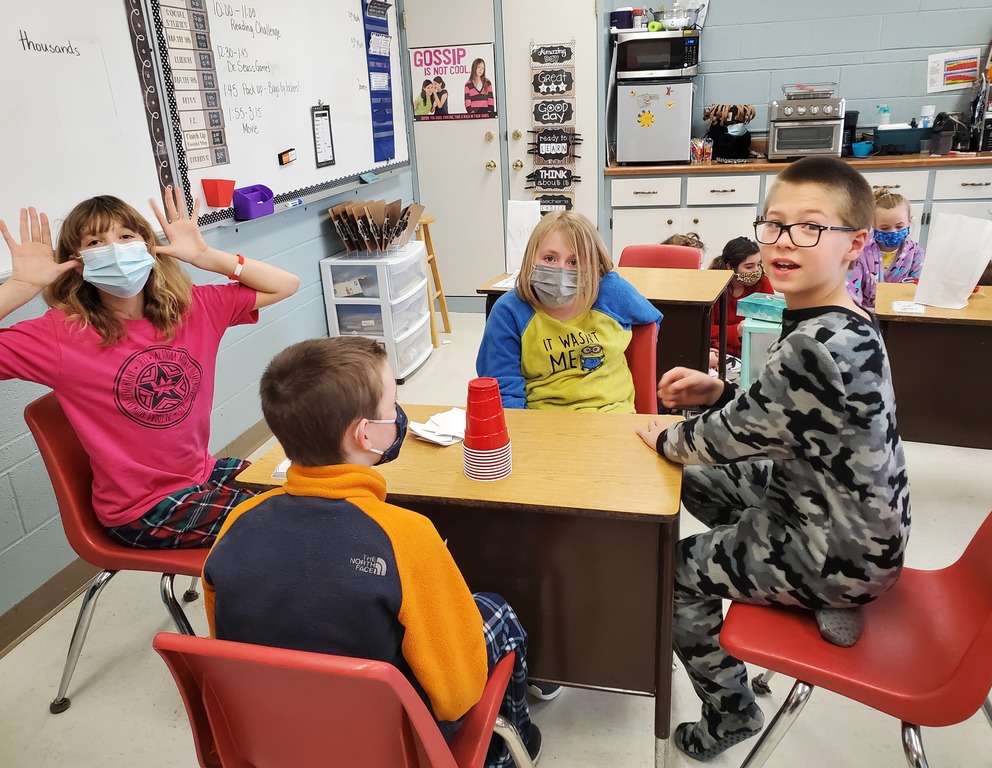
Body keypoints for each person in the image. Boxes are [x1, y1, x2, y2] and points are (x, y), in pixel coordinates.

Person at [636, 157, 911, 761]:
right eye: (774, 224)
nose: (785, 242)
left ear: (854, 243)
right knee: (699, 485)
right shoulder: (848, 319)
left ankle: (731, 710)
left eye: (810, 227)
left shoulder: (810, 345)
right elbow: (787, 418)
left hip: (837, 551)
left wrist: (658, 435)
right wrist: (721, 392)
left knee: (675, 572)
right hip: (860, 528)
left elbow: (719, 440)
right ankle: (780, 580)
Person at [202, 337, 544, 766]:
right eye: (392, 404)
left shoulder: (235, 523)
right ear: (366, 434)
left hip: (269, 736)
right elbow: (457, 694)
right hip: (393, 747)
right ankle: (512, 750)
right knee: (497, 611)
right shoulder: (407, 535)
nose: (397, 415)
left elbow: (226, 647)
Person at [0, 188, 300, 548]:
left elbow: (286, 284)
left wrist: (205, 255)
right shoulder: (61, 334)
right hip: (143, 509)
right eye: (96, 241)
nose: (115, 249)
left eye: (126, 236)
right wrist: (19, 288)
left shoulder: (192, 308)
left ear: (148, 246)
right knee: (295, 525)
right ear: (77, 262)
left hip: (199, 474)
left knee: (310, 489)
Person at [476, 211, 662, 411]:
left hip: (613, 416)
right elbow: (503, 390)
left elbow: (651, 322)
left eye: (574, 262)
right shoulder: (509, 311)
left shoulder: (612, 292)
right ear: (531, 258)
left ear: (592, 264)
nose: (561, 270)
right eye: (549, 258)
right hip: (543, 422)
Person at [846, 187, 925, 310]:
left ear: (909, 220)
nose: (893, 232)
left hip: (901, 314)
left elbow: (915, 291)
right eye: (884, 228)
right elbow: (850, 289)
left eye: (899, 226)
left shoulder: (916, 254)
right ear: (873, 224)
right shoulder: (859, 251)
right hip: (865, 313)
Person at [707, 236, 774, 372]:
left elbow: (770, 319)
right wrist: (736, 331)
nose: (756, 271)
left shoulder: (762, 282)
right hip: (720, 349)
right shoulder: (712, 285)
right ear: (729, 267)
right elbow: (705, 329)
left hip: (753, 349)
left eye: (759, 264)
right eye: (749, 267)